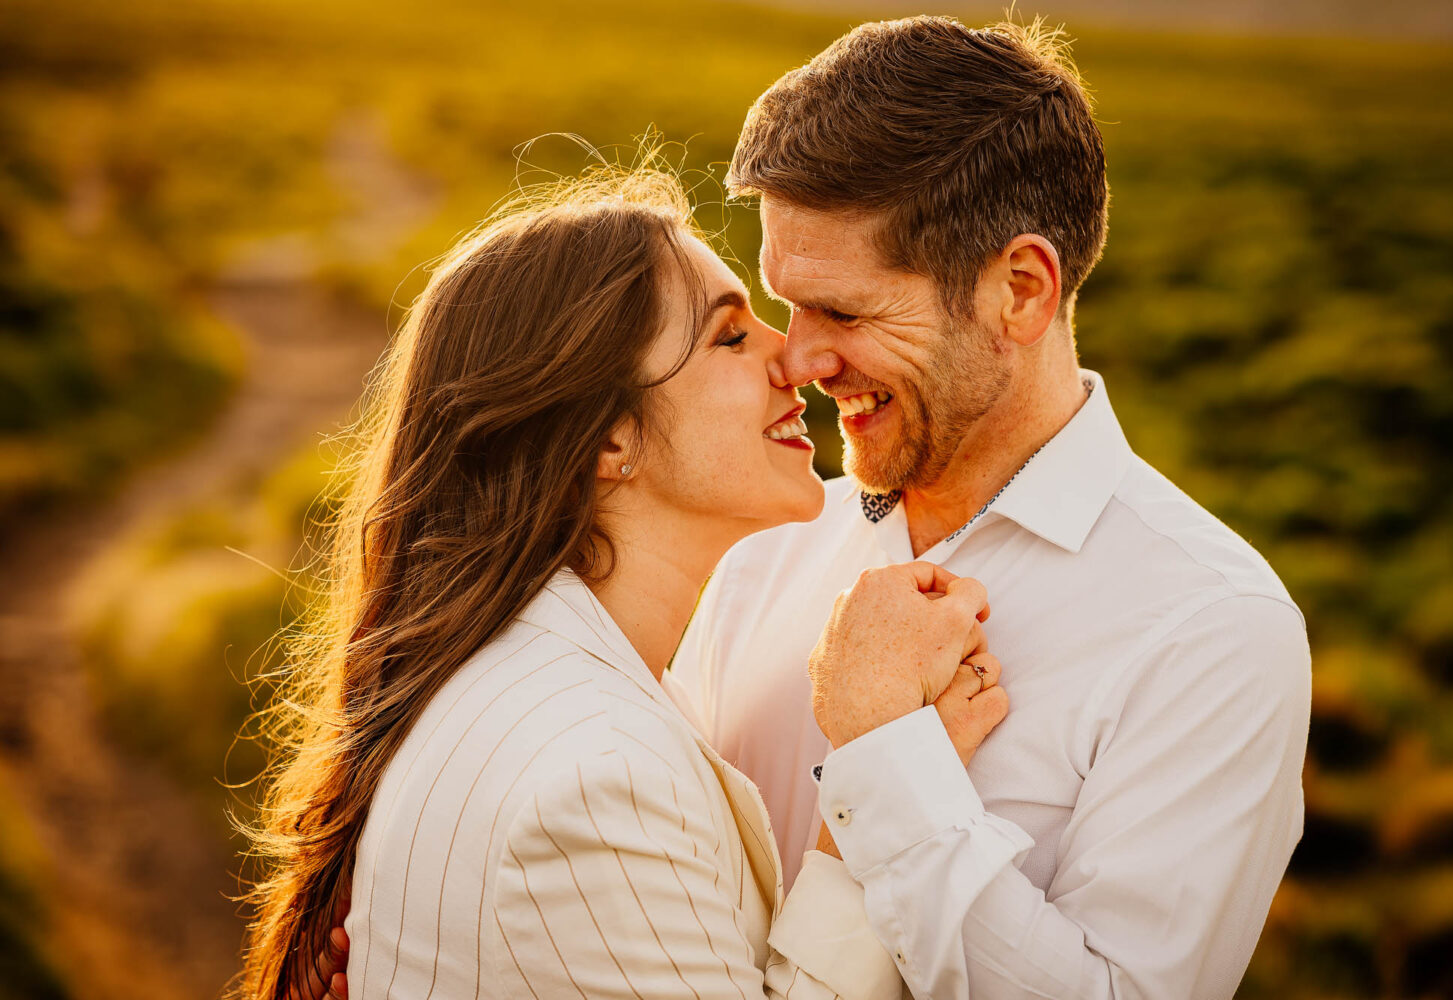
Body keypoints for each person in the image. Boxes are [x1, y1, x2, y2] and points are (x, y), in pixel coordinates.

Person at [237, 167, 1008, 1000]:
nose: (792, 357)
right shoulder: (595, 779)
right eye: (727, 337)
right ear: (610, 438)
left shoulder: (525, 682)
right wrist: (878, 766)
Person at [673, 15, 1312, 1000]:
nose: (798, 360)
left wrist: (884, 753)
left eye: (845, 311)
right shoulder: (758, 545)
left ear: (1019, 290)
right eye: (785, 304)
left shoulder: (1215, 629)